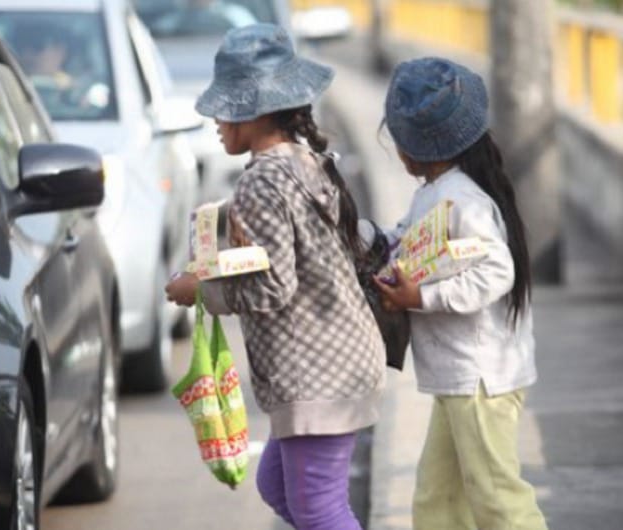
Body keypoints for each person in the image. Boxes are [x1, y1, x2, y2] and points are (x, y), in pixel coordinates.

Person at [164, 24, 386, 530]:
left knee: (320, 510)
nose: (216, 120)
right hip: (342, 360)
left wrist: (200, 290)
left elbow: (274, 285)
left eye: (225, 108)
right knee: (278, 487)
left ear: (257, 111)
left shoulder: (261, 181)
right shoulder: (305, 162)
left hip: (318, 374)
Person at [371, 57, 548, 530]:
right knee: (438, 503)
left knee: (499, 502)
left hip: (480, 380)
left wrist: (420, 298)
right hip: (460, 381)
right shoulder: (437, 193)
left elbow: (497, 271)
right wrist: (359, 235)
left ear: (413, 147)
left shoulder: (462, 201)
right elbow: (400, 239)